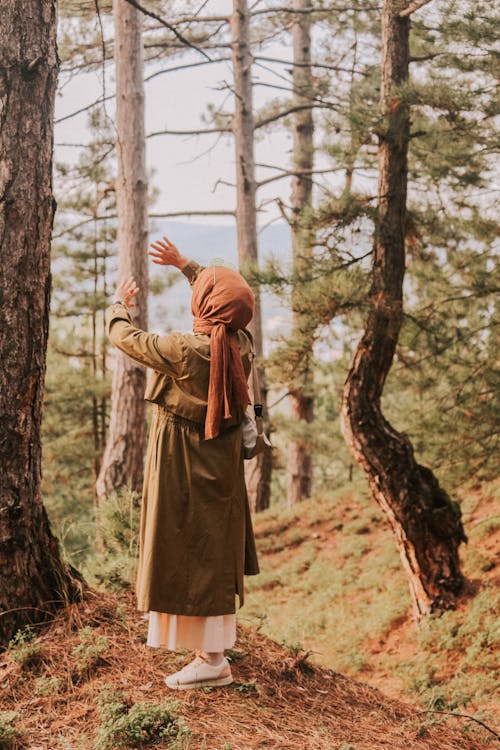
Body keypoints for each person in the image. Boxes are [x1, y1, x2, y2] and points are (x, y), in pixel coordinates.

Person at [106, 236, 259, 690]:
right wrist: (185, 265)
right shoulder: (240, 343)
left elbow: (125, 338)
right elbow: (227, 297)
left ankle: (212, 660)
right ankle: (211, 649)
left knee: (184, 544)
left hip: (183, 463)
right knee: (210, 546)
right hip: (220, 464)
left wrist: (118, 304)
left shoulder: (189, 351)